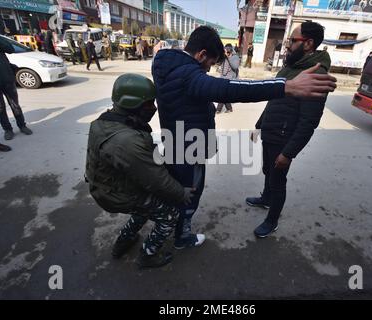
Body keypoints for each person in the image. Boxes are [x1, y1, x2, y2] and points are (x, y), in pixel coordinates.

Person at [152, 26, 337, 249]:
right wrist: (285, 86)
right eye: (210, 63)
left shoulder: (165, 65)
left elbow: (308, 121)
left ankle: (172, 229)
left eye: (292, 39)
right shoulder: (190, 76)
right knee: (189, 192)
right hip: (189, 148)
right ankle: (182, 236)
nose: (209, 69)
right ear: (201, 55)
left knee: (175, 189)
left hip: (174, 142)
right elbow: (232, 88)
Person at [85, 74, 194, 268]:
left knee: (146, 206)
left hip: (106, 187)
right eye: (148, 103)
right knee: (169, 214)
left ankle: (123, 242)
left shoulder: (105, 122)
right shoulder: (127, 141)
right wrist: (181, 193)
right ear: (132, 104)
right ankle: (147, 255)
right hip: (117, 195)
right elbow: (156, 180)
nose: (153, 108)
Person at [246, 22, 332, 237]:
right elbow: (273, 99)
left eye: (293, 41)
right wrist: (259, 125)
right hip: (270, 131)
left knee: (277, 181)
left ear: (309, 43)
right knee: (267, 170)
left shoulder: (316, 74)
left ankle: (272, 220)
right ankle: (266, 199)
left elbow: (309, 121)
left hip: (284, 139)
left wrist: (288, 153)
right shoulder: (291, 66)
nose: (288, 45)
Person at [0, 29, 32, 140]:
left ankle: (22, 125)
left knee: (15, 104)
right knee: (0, 108)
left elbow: (10, 49)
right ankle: (7, 130)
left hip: (7, 78)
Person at [216, 43, 240, 113]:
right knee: (224, 95)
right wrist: (220, 55)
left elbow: (235, 66)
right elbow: (219, 64)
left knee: (222, 94)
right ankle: (229, 108)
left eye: (228, 50)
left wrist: (229, 57)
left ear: (231, 50)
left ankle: (218, 110)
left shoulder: (235, 57)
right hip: (222, 78)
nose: (227, 52)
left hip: (230, 80)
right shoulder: (224, 56)